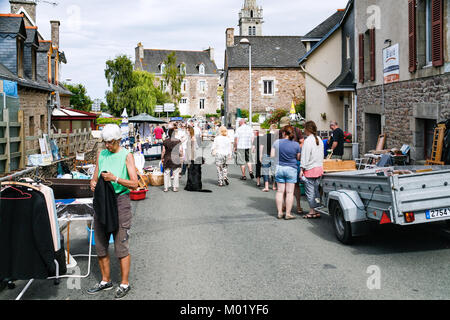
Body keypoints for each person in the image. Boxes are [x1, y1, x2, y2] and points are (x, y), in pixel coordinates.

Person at [88, 124, 139, 299]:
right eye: (105, 142)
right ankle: (105, 280)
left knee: (120, 244)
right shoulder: (101, 155)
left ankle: (124, 283)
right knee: (100, 242)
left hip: (120, 202)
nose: (107, 146)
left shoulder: (126, 155)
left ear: (118, 140)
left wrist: (115, 178)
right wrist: (93, 183)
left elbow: (135, 184)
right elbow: (94, 178)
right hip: (102, 203)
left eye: (110, 143)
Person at [271, 126, 301, 220]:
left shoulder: (277, 142)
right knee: (289, 192)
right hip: (291, 169)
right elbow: (298, 158)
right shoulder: (296, 145)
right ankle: (288, 213)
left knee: (280, 191)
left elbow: (272, 156)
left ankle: (280, 212)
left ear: (284, 133)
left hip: (279, 168)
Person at [279, 117, 305, 214]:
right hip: (284, 160)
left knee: (296, 185)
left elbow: (302, 141)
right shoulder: (280, 132)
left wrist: (296, 149)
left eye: (285, 125)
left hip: (295, 160)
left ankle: (298, 205)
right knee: (284, 185)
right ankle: (285, 205)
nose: (283, 128)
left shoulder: (296, 130)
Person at [300, 121, 325, 219]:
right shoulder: (319, 139)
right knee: (317, 192)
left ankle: (312, 211)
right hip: (319, 168)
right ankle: (317, 209)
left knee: (310, 193)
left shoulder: (308, 141)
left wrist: (301, 169)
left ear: (307, 129)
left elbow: (305, 157)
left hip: (310, 169)